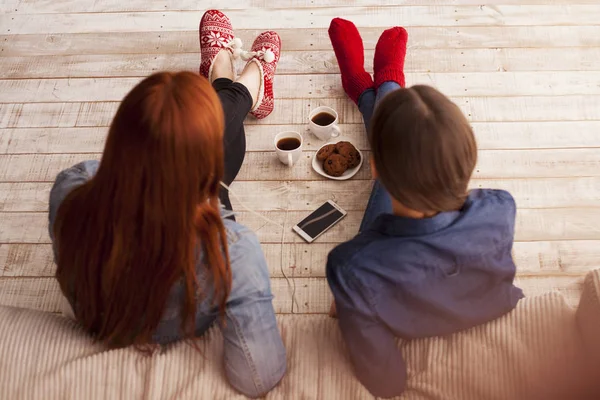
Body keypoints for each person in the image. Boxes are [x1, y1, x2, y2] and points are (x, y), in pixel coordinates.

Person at [48, 10, 285, 398]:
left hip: (103, 313)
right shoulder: (231, 250)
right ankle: (241, 84)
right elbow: (258, 376)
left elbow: (117, 171)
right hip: (184, 309)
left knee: (192, 134)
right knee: (221, 132)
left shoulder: (70, 188)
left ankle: (232, 80)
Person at [326, 18, 524, 398]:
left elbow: (385, 380)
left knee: (401, 153)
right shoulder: (501, 207)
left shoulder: (352, 266)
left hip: (379, 264)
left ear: (375, 170)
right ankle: (382, 87)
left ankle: (377, 90)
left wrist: (347, 301)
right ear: (469, 162)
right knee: (410, 153)